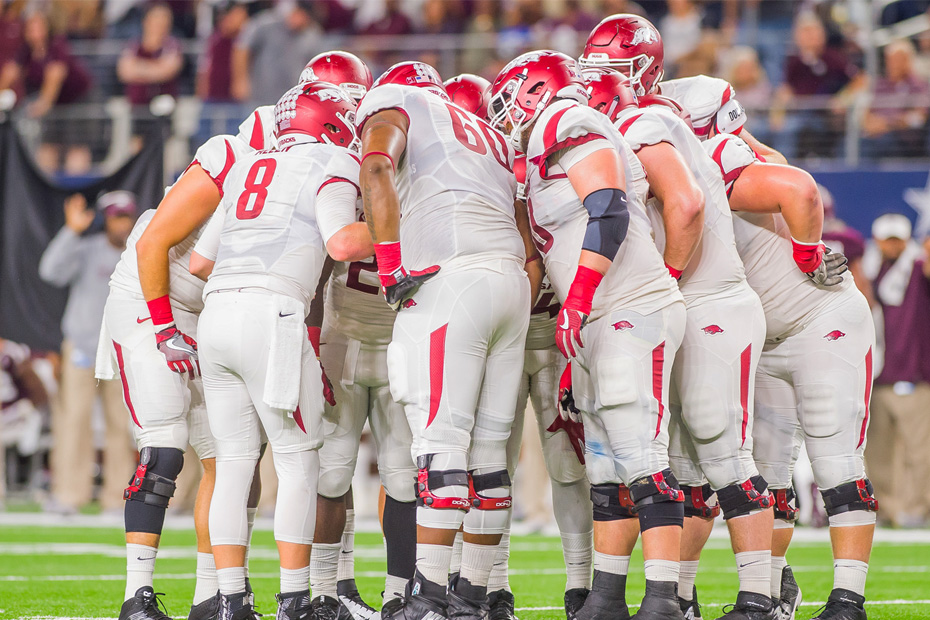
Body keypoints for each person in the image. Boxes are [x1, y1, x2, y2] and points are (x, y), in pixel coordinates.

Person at [490, 51, 687, 620]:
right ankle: (605, 596)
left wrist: (576, 299)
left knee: (639, 452)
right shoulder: (543, 142)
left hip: (627, 305)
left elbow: (609, 209)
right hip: (601, 313)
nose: (504, 106)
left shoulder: (565, 119)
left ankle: (663, 598)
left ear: (533, 87)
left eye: (509, 92)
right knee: (602, 462)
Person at [190, 80, 373, 620]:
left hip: (217, 310)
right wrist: (405, 224)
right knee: (296, 464)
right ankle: (295, 598)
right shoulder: (333, 161)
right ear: (335, 124)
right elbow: (343, 242)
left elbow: (200, 261)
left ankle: (229, 599)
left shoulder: (251, 163)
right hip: (273, 313)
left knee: (235, 464)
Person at [359, 60, 534, 620]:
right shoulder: (485, 132)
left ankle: (430, 597)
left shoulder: (394, 103)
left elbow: (377, 165)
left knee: (439, 446)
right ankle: (474, 597)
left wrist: (390, 266)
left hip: (449, 280)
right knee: (489, 456)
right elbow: (527, 239)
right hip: (510, 282)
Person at [597, 76, 776, 619]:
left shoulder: (643, 123)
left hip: (709, 301)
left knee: (724, 452)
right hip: (686, 304)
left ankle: (761, 596)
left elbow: (687, 204)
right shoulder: (655, 126)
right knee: (669, 461)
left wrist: (668, 277)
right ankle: (673, 597)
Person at [705, 131, 877, 620]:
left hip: (819, 323)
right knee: (764, 476)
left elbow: (794, 183)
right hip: (761, 336)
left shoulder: (720, 157)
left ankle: (848, 599)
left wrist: (809, 251)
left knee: (836, 460)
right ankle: (770, 591)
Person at [97, 135, 255, 620]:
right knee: (165, 446)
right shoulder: (233, 155)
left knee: (234, 457)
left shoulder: (304, 168)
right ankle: (136, 595)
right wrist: (166, 328)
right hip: (151, 300)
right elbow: (151, 243)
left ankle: (211, 595)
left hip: (209, 308)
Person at [578, 13, 787, 165]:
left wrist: (716, 169)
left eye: (616, 70)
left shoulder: (692, 100)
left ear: (649, 68)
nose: (602, 80)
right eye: (594, 70)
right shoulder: (578, 111)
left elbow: (775, 161)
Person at [38, 191, 137, 516]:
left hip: (121, 349)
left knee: (121, 426)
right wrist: (71, 231)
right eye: (116, 216)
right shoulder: (86, 249)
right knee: (74, 421)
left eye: (127, 216)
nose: (123, 223)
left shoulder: (139, 252)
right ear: (105, 219)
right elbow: (49, 271)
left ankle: (117, 497)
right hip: (82, 348)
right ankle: (68, 494)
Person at [865, 214, 930, 528]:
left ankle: (916, 509)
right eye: (887, 239)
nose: (893, 245)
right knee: (877, 453)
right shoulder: (868, 272)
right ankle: (885, 509)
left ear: (907, 240)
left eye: (898, 239)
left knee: (919, 451)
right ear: (877, 240)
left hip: (915, 377)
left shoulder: (918, 269)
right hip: (877, 376)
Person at [0, 10, 92, 173]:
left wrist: (42, 104)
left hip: (77, 102)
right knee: (48, 147)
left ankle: (77, 191)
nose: (35, 32)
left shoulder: (57, 46)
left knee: (76, 147)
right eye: (31, 27)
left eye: (38, 26)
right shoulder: (26, 51)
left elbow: (54, 76)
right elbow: (10, 72)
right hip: (55, 107)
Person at [771, 12, 865, 159]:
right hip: (799, 114)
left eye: (813, 31)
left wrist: (843, 99)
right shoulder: (794, 61)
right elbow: (785, 89)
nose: (810, 36)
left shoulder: (832, 57)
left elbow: (860, 80)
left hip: (823, 116)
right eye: (805, 31)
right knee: (784, 130)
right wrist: (778, 114)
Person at [231, 0, 323, 106]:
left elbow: (316, 65)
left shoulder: (312, 34)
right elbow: (242, 48)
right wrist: (240, 80)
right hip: (261, 94)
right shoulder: (266, 23)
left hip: (293, 98)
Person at [861, 39, 930, 160]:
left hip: (903, 139)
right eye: (890, 60)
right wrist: (872, 125)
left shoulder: (919, 86)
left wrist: (889, 124)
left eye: (898, 60)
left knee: (884, 143)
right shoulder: (880, 85)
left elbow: (919, 118)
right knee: (857, 143)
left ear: (908, 60)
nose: (893, 64)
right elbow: (867, 114)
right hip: (876, 135)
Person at [116, 3, 182, 107]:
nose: (160, 24)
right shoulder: (134, 46)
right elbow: (125, 71)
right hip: (137, 104)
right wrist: (155, 68)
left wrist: (138, 68)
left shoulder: (171, 46)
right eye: (157, 19)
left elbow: (167, 71)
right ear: (146, 21)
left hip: (163, 106)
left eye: (165, 20)